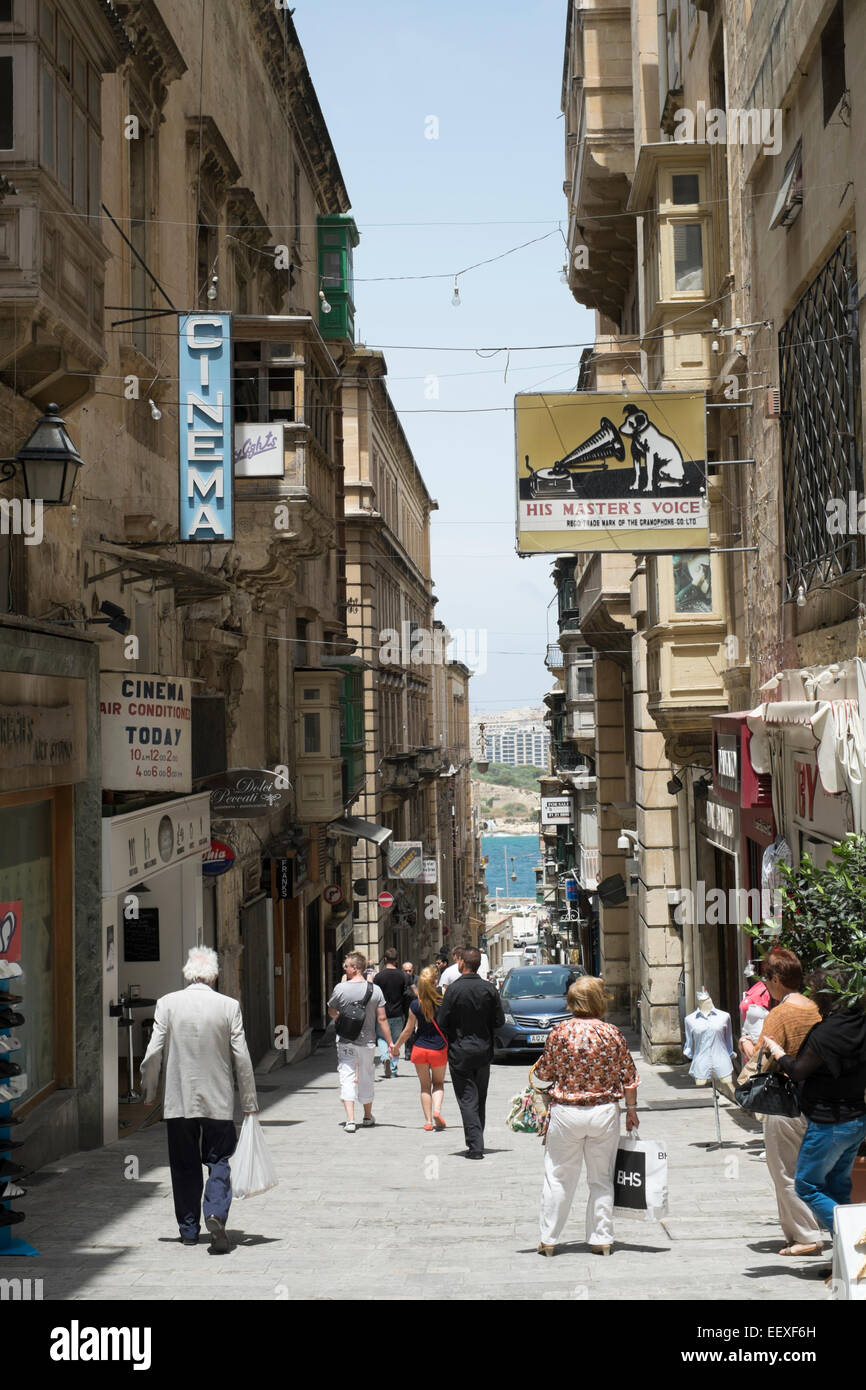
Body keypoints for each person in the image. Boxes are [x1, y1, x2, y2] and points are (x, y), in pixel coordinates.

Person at [139, 945, 257, 1253]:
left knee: (183, 1163)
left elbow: (153, 1052)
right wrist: (248, 1100)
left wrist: (149, 1090)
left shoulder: (167, 1004)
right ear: (215, 976)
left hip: (178, 1099)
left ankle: (189, 1230)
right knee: (219, 1159)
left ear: (187, 973)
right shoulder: (229, 1006)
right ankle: (215, 1212)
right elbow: (242, 1057)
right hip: (218, 1099)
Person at [533, 975, 639, 1257]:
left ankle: (549, 1239)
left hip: (566, 1112)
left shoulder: (559, 1032)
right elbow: (629, 1077)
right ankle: (601, 1238)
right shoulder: (612, 1033)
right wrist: (631, 1110)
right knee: (601, 1178)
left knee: (558, 1175)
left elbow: (544, 1073)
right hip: (604, 1112)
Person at [764, 967, 866, 1237]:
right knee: (837, 1186)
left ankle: (855, 1237)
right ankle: (846, 1256)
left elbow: (798, 1071)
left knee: (806, 1185)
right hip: (856, 1119)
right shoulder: (860, 1024)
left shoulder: (827, 1033)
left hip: (829, 1122)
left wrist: (778, 1052)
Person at [743, 948, 822, 1256]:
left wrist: (746, 1045)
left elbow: (761, 1059)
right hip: (817, 1099)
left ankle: (806, 1236)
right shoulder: (815, 1008)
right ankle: (798, 1233)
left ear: (776, 979)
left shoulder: (780, 1014)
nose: (766, 984)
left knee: (784, 1171)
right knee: (804, 1169)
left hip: (786, 1102)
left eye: (767, 978)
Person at [436, 946, 505, 1158]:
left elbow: (442, 1021)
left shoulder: (453, 990)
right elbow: (499, 1021)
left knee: (467, 1099)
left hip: (460, 1051)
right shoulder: (489, 989)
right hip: (483, 1051)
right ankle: (477, 1139)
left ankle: (475, 1147)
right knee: (479, 1098)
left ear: (461, 963)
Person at [327, 952, 393, 1132]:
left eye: (347, 966)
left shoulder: (340, 988)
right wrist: (390, 1043)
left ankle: (350, 1120)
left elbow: (331, 1011)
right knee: (366, 1076)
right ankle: (367, 1116)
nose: (344, 968)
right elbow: (382, 1019)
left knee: (346, 1076)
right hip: (367, 1042)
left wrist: (341, 1018)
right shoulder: (375, 990)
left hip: (345, 1040)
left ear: (355, 968)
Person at [392, 965, 448, 1130]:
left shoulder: (415, 1005)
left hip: (419, 1049)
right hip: (438, 1048)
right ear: (435, 982)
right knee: (438, 1083)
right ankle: (437, 1111)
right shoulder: (443, 1003)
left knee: (424, 1086)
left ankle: (428, 1122)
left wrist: (396, 1047)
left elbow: (408, 1031)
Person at [373, 948, 412, 1078]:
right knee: (395, 1041)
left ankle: (385, 1057)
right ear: (397, 960)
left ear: (385, 959)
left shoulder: (379, 977)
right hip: (398, 1013)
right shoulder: (403, 976)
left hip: (382, 1013)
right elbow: (411, 992)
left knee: (381, 1038)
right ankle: (393, 1068)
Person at [401, 961, 419, 1061]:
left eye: (409, 971)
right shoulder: (400, 980)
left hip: (416, 1008)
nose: (408, 973)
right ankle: (408, 1051)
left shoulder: (418, 980)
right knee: (407, 1030)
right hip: (404, 1009)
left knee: (414, 1031)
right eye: (405, 971)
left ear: (413, 970)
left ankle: (414, 1051)